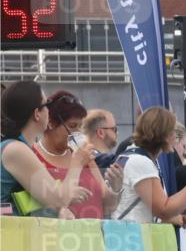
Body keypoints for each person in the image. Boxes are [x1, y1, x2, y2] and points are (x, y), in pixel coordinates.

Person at [111, 107, 186, 224]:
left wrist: (177, 219)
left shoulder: (130, 155)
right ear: (163, 134)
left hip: (128, 233)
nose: (176, 137)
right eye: (173, 132)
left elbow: (143, 205)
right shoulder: (141, 162)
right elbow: (163, 209)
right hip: (133, 236)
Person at [1, 81, 93, 216]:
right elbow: (58, 200)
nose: (49, 110)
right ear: (37, 113)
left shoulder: (14, 147)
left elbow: (32, 198)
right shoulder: (16, 150)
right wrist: (77, 163)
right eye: (46, 105)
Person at [35, 91, 122, 219]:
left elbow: (109, 205)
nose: (77, 133)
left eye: (80, 127)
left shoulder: (83, 155)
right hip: (58, 235)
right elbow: (37, 208)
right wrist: (76, 164)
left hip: (93, 234)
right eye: (72, 126)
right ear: (51, 123)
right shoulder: (33, 156)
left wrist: (115, 187)